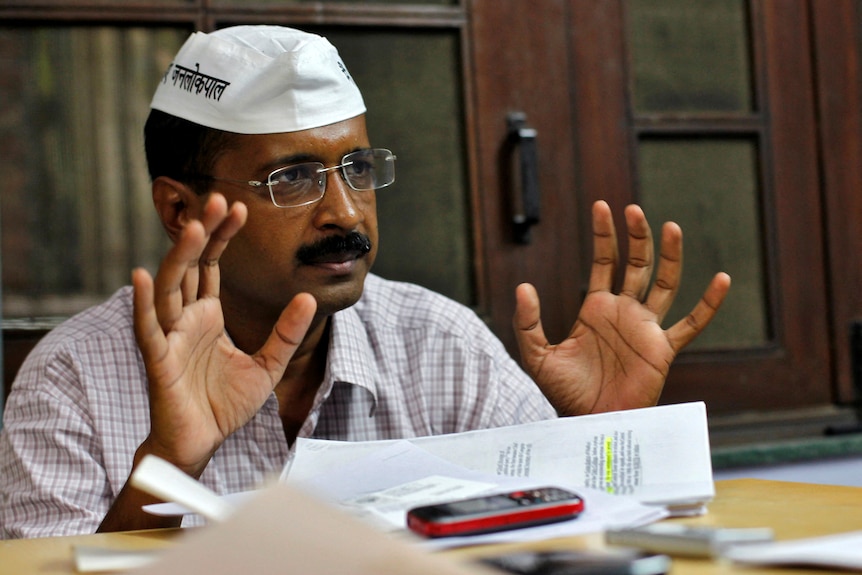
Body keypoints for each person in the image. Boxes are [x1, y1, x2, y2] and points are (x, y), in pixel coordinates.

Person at [0, 26, 731, 539]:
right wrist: (168, 462)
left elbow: (572, 551)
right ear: (179, 207)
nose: (344, 212)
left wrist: (593, 440)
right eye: (292, 178)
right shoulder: (72, 379)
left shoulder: (439, 343)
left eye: (356, 169)